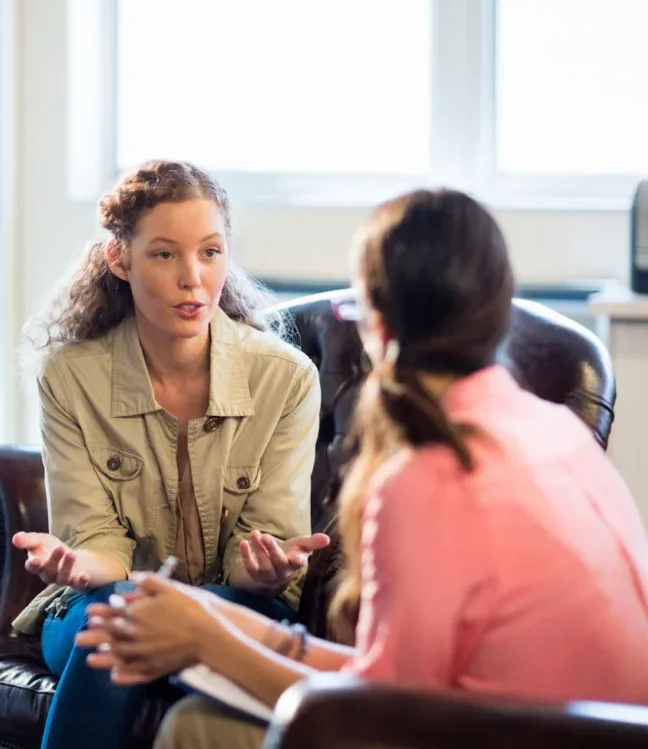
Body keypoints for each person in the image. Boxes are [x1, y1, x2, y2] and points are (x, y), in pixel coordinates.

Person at [78, 188, 648, 749]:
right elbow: (398, 677)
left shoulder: (428, 479)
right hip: (580, 729)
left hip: (507, 733)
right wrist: (222, 621)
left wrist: (207, 641)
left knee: (193, 726)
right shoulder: (557, 429)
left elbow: (380, 712)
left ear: (380, 326)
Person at [9, 160, 328, 749]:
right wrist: (80, 566)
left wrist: (263, 567)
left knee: (159, 623)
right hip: (99, 599)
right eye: (164, 254)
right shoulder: (71, 376)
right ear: (119, 260)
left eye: (210, 252)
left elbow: (263, 551)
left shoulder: (286, 378)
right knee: (124, 615)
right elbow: (97, 540)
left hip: (237, 602)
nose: (193, 278)